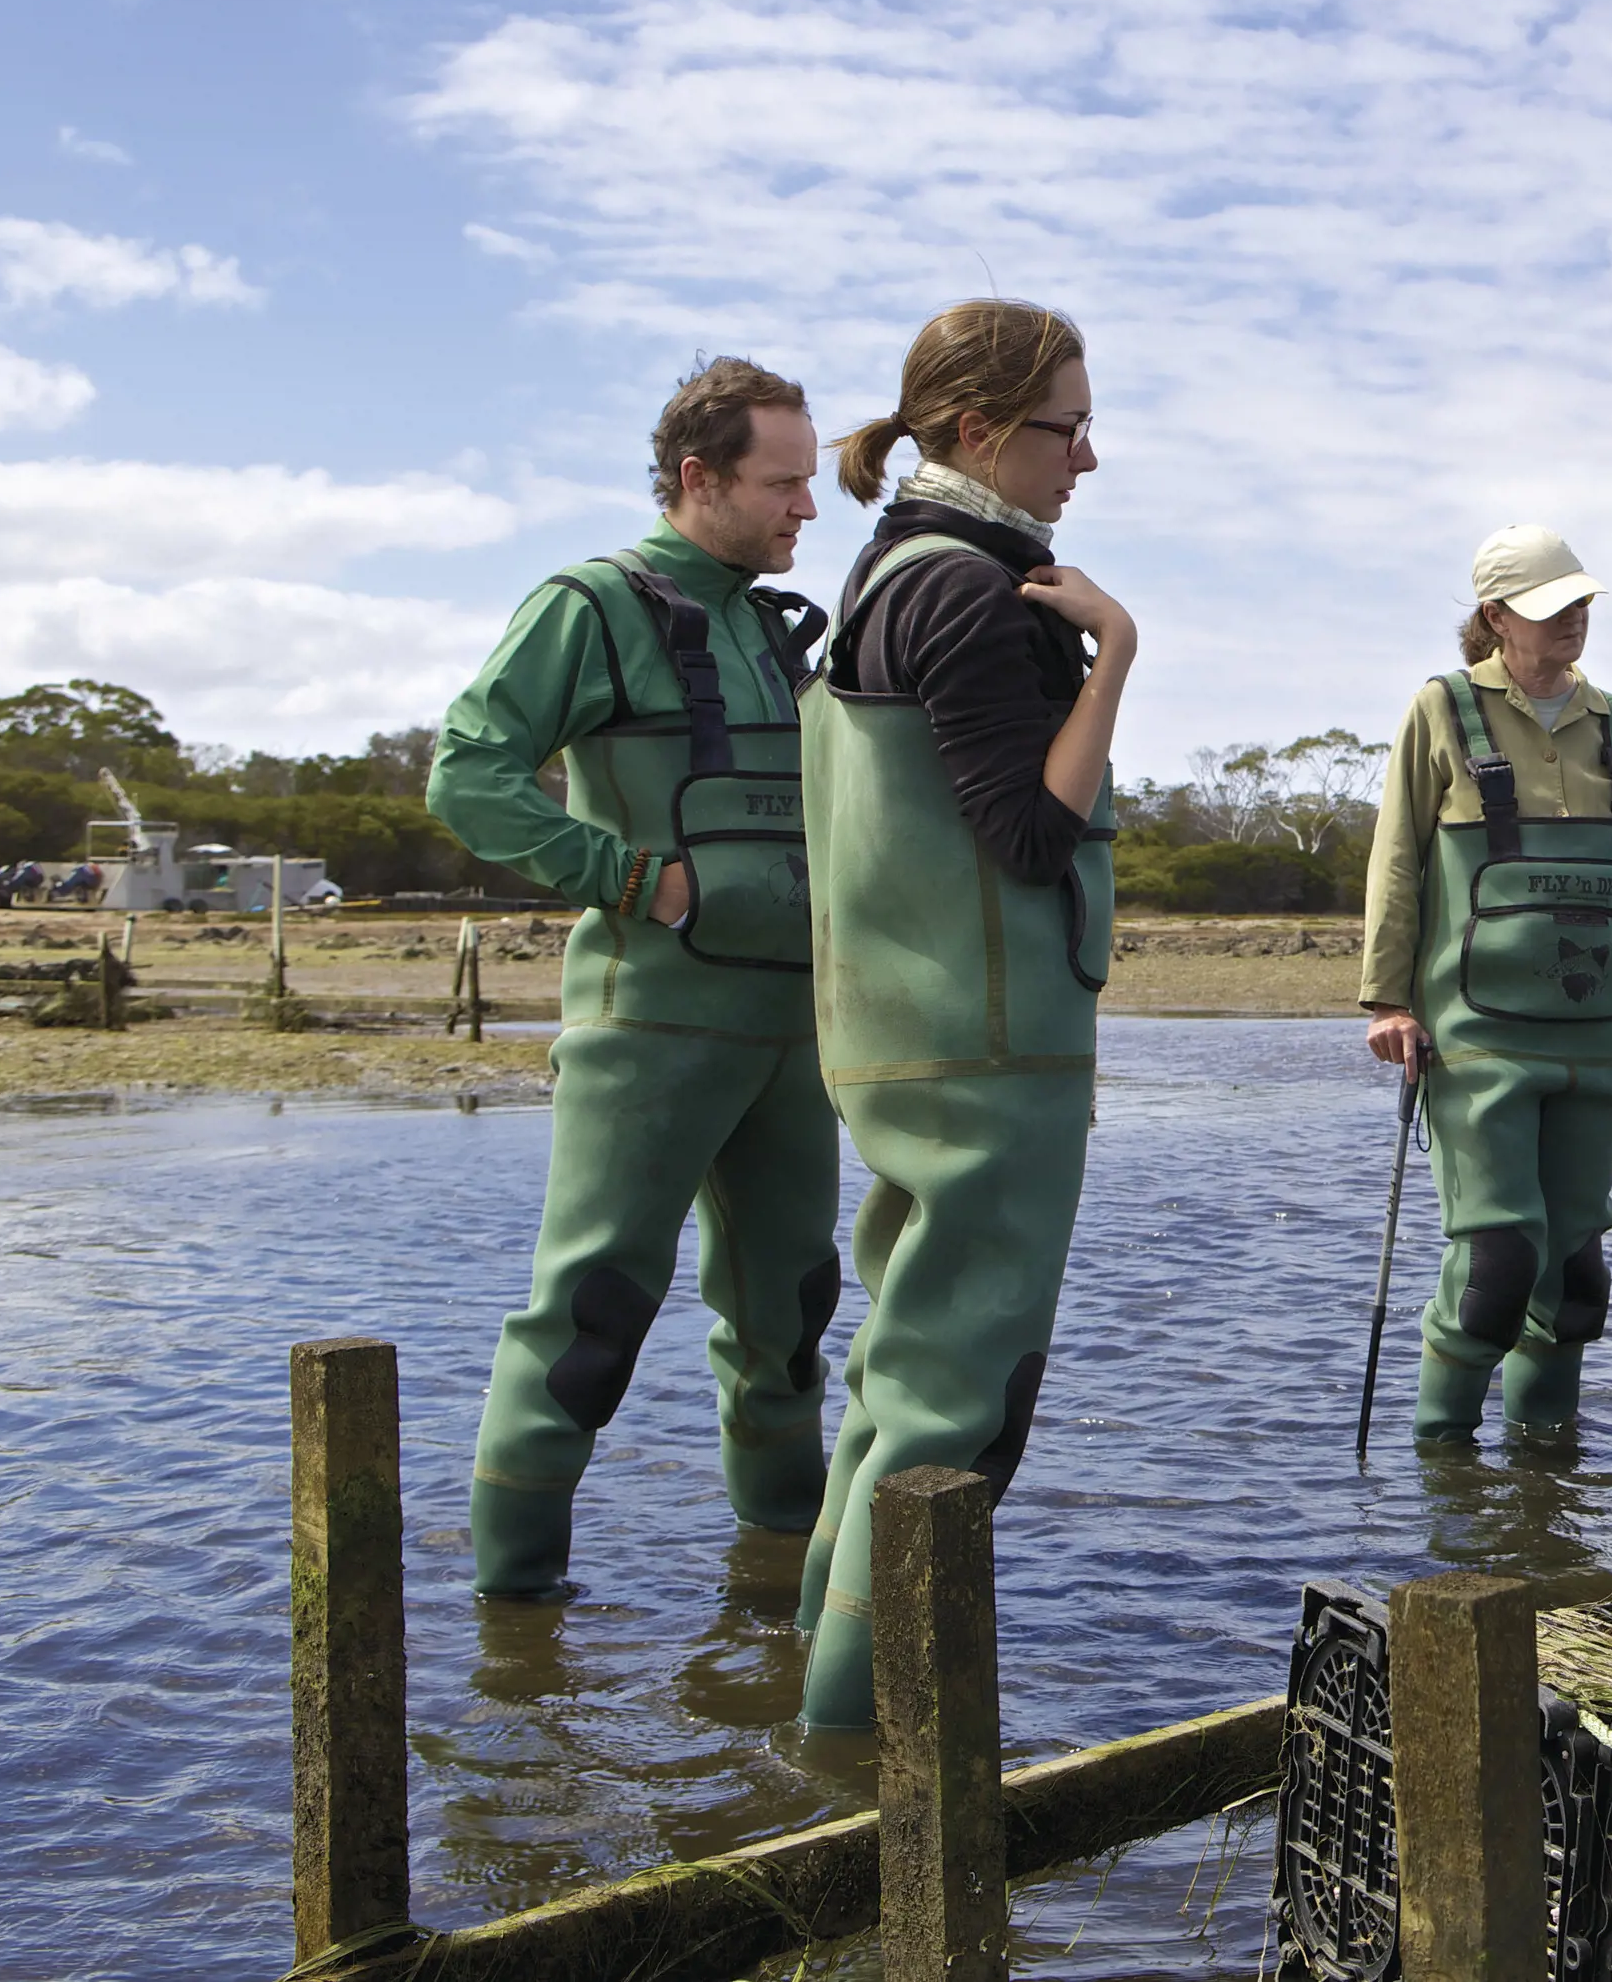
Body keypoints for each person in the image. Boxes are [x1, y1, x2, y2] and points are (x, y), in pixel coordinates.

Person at [429, 356, 840, 1596]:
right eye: (781, 485)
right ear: (696, 478)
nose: (805, 511)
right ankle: (515, 1621)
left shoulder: (780, 631)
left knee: (791, 1323)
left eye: (811, 484)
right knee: (589, 1320)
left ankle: (781, 1604)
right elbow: (469, 775)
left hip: (793, 1034)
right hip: (650, 1026)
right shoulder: (590, 603)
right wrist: (628, 877)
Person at [795, 300, 1135, 1728]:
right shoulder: (967, 590)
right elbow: (1025, 834)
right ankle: (855, 1753)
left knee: (897, 1381)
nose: (1089, 458)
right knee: (956, 1415)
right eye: (1066, 426)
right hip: (990, 1051)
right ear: (980, 433)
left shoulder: (887, 571)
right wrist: (1114, 652)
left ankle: (816, 1706)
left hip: (911, 1040)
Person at [1358, 526, 1612, 1444]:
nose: (1574, 620)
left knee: (1576, 1278)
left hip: (1595, 1041)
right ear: (1496, 616)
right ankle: (1446, 1488)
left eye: (1581, 602)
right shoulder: (1442, 708)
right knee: (1496, 1271)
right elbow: (1395, 864)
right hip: (1474, 1040)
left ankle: (1546, 1494)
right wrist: (1388, 1001)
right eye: (1552, 608)